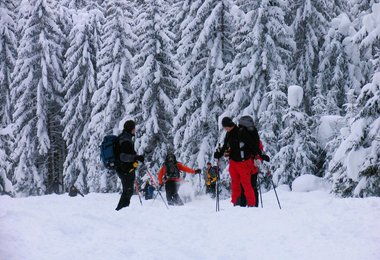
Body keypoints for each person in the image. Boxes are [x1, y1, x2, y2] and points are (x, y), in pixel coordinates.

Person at [214, 116, 261, 207]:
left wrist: (257, 155)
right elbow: (224, 147)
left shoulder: (241, 132)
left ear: (227, 126)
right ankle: (236, 204)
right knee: (235, 184)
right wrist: (219, 154)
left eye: (224, 127)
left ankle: (252, 205)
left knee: (246, 185)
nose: (225, 129)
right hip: (233, 163)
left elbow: (251, 144)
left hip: (244, 163)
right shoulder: (228, 134)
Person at [114, 120, 144, 211]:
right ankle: (120, 211)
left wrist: (135, 158)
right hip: (125, 170)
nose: (135, 130)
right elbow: (123, 157)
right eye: (134, 128)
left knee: (128, 191)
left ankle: (122, 211)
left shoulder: (124, 137)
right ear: (131, 129)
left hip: (123, 169)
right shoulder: (125, 140)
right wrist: (136, 157)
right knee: (128, 191)